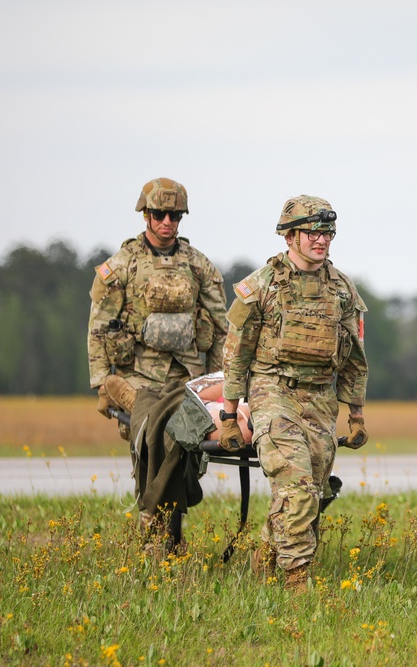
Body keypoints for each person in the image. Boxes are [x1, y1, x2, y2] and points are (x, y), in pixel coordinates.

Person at [220, 195, 369, 593]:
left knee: (313, 496)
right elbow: (237, 353)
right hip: (273, 392)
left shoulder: (341, 289)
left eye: (327, 233)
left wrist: (355, 415)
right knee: (298, 488)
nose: (322, 241)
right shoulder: (261, 286)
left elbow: (354, 358)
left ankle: (265, 559)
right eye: (312, 232)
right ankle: (296, 585)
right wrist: (229, 416)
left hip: (320, 400)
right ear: (289, 237)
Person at [88, 177, 229, 436]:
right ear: (145, 215)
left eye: (174, 216)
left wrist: (218, 381)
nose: (167, 222)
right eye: (159, 214)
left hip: (188, 375)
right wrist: (101, 382)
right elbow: (98, 325)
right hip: (136, 377)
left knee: (190, 447)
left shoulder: (198, 265)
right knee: (146, 445)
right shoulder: (122, 265)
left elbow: (222, 327)